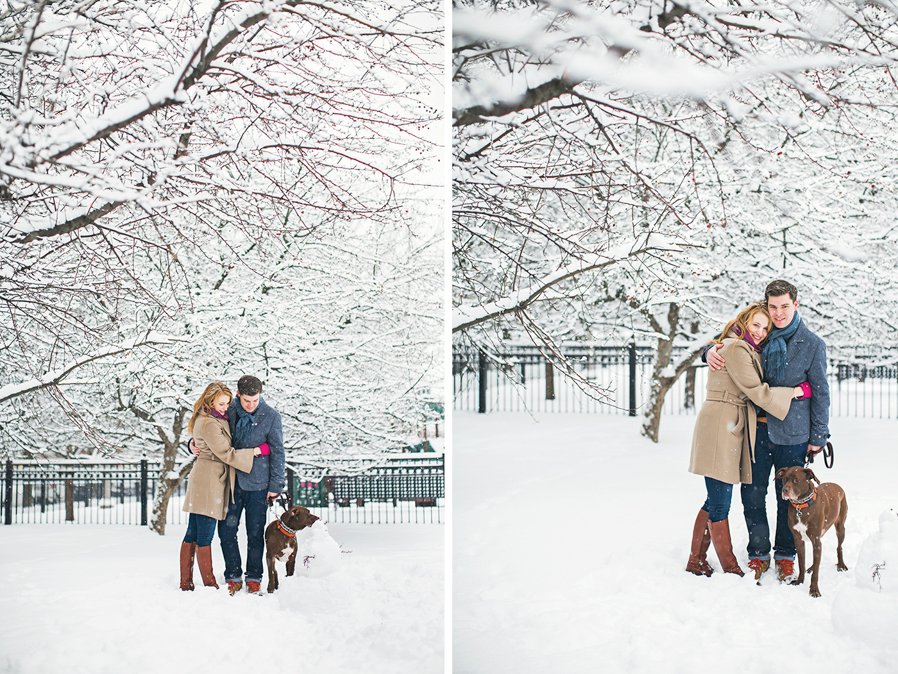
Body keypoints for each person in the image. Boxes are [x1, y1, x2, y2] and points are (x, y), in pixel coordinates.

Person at [704, 280, 830, 581]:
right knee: (752, 495)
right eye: (773, 307)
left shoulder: (812, 344)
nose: (778, 313)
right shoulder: (758, 332)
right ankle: (758, 554)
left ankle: (786, 554)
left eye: (784, 306)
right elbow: (725, 342)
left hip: (794, 434)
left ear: (795, 305)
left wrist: (819, 437)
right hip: (755, 430)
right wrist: (708, 350)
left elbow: (821, 392)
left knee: (787, 497)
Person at [687, 302, 810, 577]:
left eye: (765, 328)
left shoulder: (740, 346)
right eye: (755, 324)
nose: (760, 331)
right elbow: (756, 391)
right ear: (743, 321)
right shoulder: (736, 347)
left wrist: (709, 348)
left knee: (714, 498)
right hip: (722, 424)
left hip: (730, 424)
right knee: (720, 502)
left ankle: (695, 560)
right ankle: (730, 567)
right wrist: (794, 393)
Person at [192, 375, 285, 595]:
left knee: (255, 533)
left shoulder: (271, 416)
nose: (251, 405)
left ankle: (254, 577)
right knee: (227, 531)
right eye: (246, 401)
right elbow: (208, 427)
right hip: (230, 482)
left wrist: (276, 485)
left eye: (255, 400)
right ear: (238, 394)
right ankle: (233, 575)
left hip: (259, 484)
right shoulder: (228, 409)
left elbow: (278, 451)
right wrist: (192, 443)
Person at [180, 382, 269, 590]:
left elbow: (205, 439)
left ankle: (186, 582)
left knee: (193, 531)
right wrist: (255, 452)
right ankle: (209, 583)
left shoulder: (211, 417)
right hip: (210, 480)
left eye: (227, 403)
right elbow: (226, 453)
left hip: (206, 478)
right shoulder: (210, 422)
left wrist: (193, 443)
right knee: (205, 532)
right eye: (221, 404)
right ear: (210, 401)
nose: (225, 407)